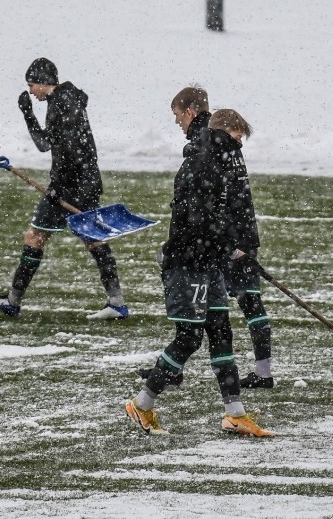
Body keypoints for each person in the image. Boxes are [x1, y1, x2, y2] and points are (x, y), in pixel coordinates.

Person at [125, 95, 273, 437]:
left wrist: (233, 247)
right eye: (236, 140)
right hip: (188, 264)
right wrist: (229, 246)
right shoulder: (202, 164)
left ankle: (234, 414)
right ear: (223, 135)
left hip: (209, 263)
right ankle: (141, 405)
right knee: (189, 338)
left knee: (221, 333)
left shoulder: (218, 161)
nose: (238, 149)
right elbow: (198, 221)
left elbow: (218, 217)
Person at [0, 57, 128, 320]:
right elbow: (59, 145)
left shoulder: (61, 103)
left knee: (35, 237)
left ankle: (13, 302)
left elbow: (53, 146)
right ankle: (117, 302)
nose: (31, 91)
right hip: (84, 183)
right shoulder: (68, 99)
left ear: (44, 82)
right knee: (93, 240)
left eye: (31, 85)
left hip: (71, 186)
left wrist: (27, 114)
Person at [207, 109, 275, 389]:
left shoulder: (222, 153)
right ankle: (263, 372)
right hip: (240, 240)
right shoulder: (230, 153)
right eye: (237, 135)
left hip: (233, 244)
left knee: (215, 309)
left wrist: (233, 246)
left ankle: (262, 373)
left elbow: (225, 205)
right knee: (249, 305)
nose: (240, 141)